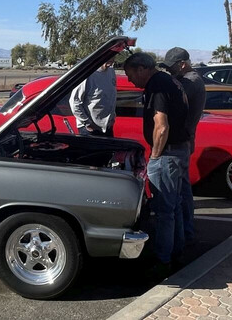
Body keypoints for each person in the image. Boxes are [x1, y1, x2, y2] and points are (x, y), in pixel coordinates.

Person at [123, 52, 190, 274]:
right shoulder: (170, 81)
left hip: (167, 155)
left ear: (142, 69)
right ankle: (177, 252)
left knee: (164, 211)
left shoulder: (157, 85)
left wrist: (155, 157)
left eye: (131, 74)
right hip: (180, 150)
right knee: (175, 206)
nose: (130, 80)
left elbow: (161, 126)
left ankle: (163, 261)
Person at [160, 47, 206, 245]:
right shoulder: (190, 80)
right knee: (183, 188)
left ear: (183, 64)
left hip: (181, 140)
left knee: (180, 192)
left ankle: (185, 231)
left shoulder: (190, 82)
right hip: (186, 139)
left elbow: (171, 98)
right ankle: (186, 229)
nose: (169, 71)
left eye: (172, 67)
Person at [68, 58, 116, 136]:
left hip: (107, 127)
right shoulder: (87, 75)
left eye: (113, 56)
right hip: (90, 129)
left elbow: (111, 96)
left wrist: (112, 118)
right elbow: (74, 102)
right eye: (109, 57)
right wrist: (87, 122)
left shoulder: (111, 72)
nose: (112, 59)